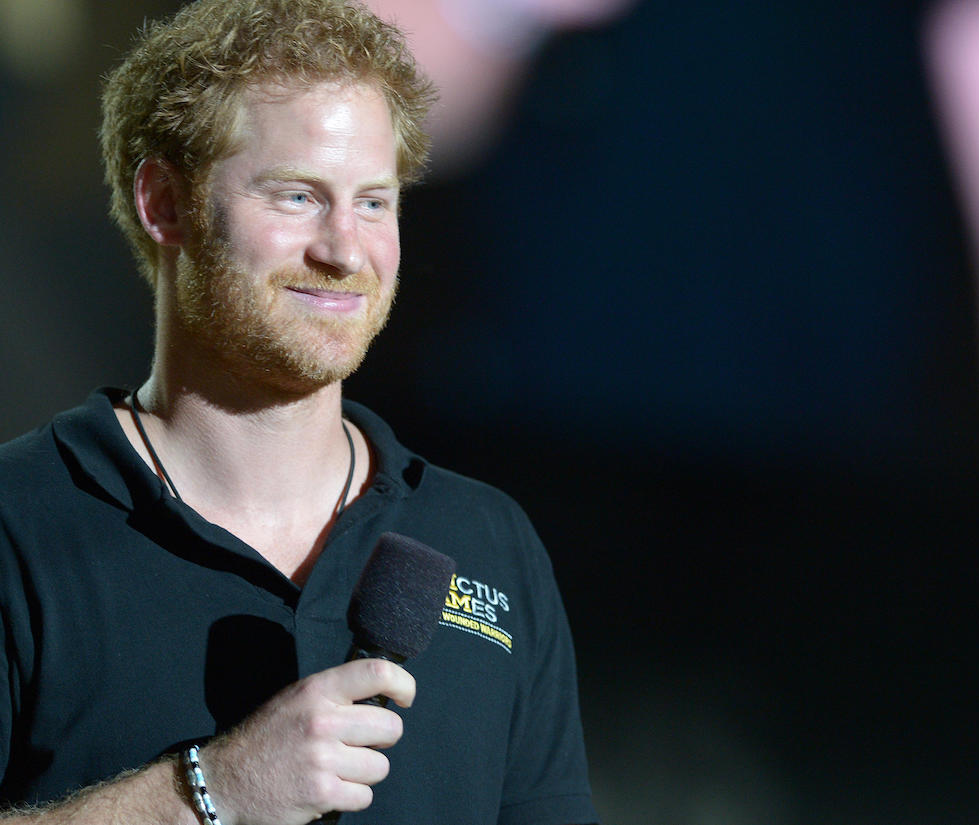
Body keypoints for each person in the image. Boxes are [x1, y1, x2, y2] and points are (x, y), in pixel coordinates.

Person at [0, 1, 597, 823]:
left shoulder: (489, 540)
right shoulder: (20, 523)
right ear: (165, 203)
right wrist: (213, 790)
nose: (346, 251)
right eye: (297, 196)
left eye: (375, 202)